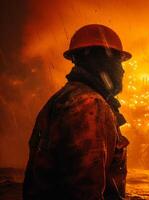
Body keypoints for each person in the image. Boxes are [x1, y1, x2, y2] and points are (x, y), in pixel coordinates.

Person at [23, 24, 131, 200]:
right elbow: (85, 188)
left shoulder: (60, 99)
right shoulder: (90, 105)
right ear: (101, 61)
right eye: (118, 61)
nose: (123, 70)